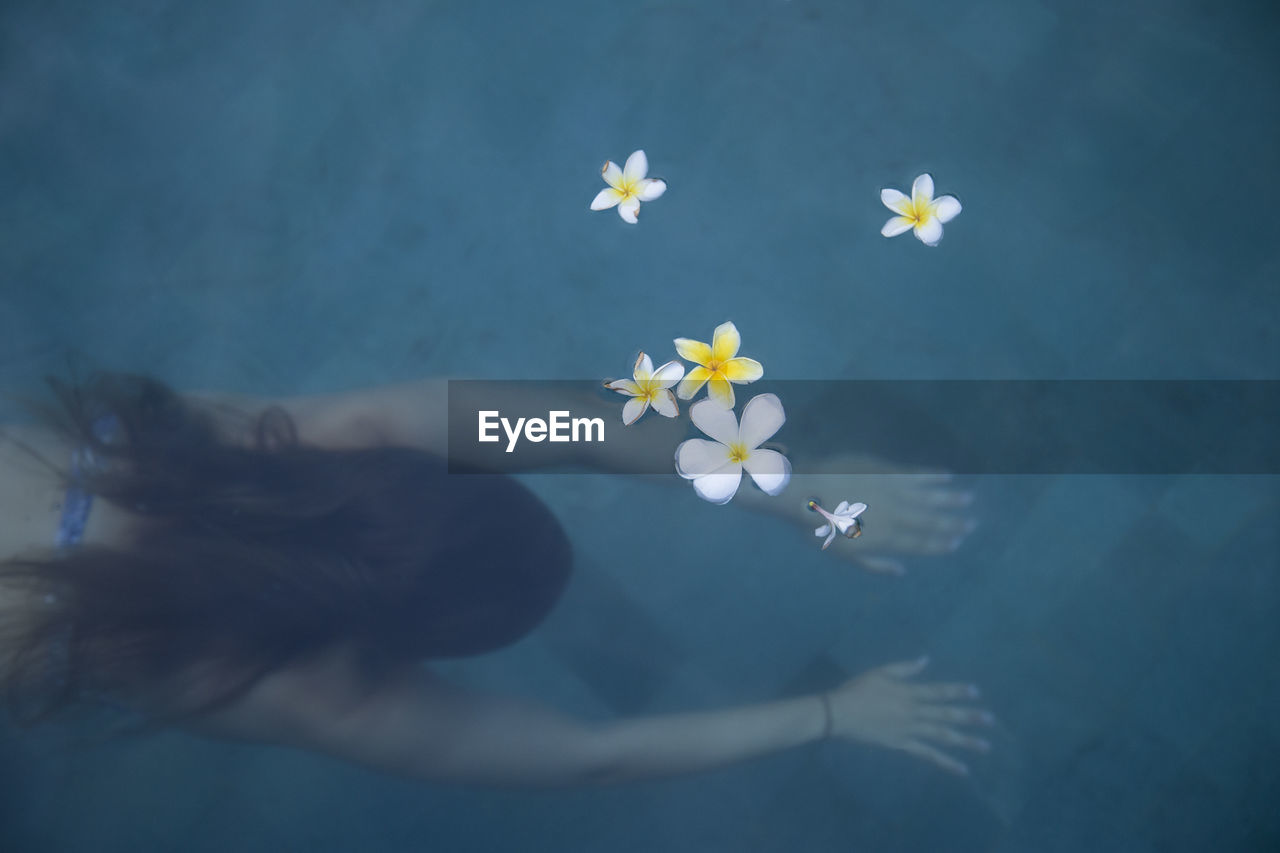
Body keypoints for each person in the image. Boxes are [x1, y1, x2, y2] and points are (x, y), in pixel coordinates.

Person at [0, 372, 991, 787]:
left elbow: (588, 432)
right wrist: (833, 712)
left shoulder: (344, 436)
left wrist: (807, 493)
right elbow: (589, 754)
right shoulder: (320, 695)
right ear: (401, 647)